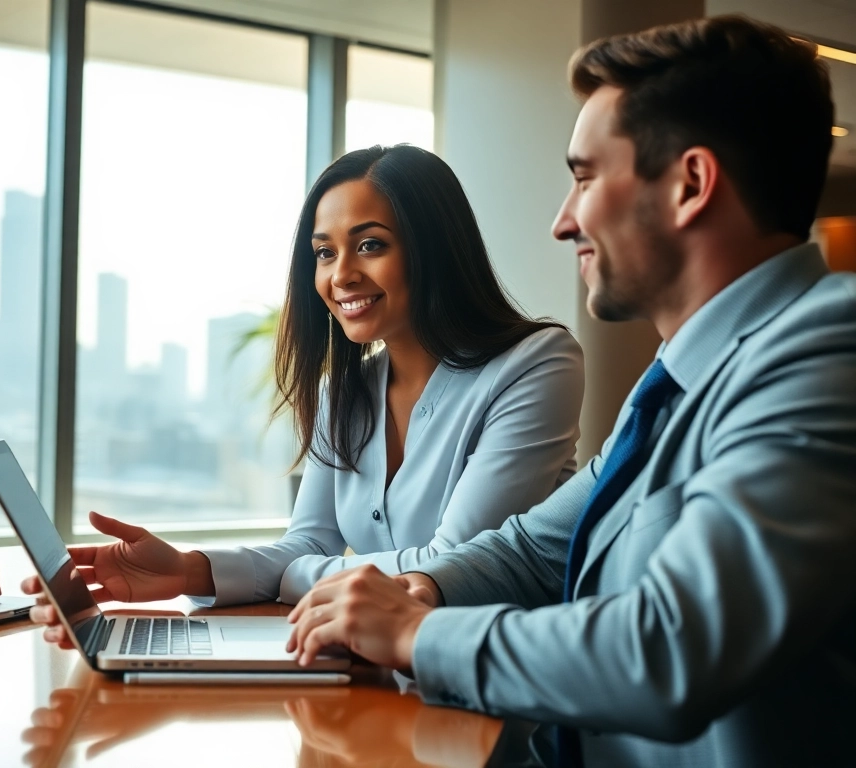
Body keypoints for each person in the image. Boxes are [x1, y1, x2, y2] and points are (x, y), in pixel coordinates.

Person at [286, 15, 856, 767]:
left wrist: (415, 633)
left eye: (584, 177)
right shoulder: (680, 381)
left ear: (691, 184)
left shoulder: (825, 350)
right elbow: (531, 549)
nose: (562, 221)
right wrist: (420, 588)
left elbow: (672, 647)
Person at [23, 144, 585, 618]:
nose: (341, 275)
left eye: (370, 245)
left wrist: (296, 576)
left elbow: (453, 570)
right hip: (370, 664)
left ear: (434, 250)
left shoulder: (535, 365)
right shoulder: (343, 394)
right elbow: (308, 542)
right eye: (324, 252)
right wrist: (186, 570)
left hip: (489, 681)